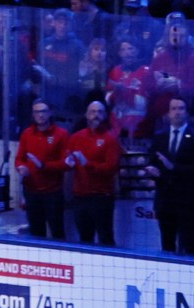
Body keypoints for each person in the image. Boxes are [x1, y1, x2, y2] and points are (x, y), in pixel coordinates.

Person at [148, 98, 194, 255]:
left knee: (190, 246)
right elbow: (152, 162)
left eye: (181, 108)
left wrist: (173, 167)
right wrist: (153, 172)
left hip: (187, 201)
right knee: (167, 245)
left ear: (186, 112)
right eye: (173, 108)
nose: (177, 112)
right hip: (165, 200)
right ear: (168, 113)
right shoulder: (159, 136)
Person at [62, 100, 124, 246]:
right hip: (80, 197)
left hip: (102, 198)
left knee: (105, 237)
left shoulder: (111, 139)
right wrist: (68, 161)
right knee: (84, 238)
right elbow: (67, 159)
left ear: (105, 115)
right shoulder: (76, 137)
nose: (96, 115)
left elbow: (111, 167)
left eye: (100, 112)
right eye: (93, 112)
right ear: (86, 115)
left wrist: (88, 164)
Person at [16, 98, 70, 240]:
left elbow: (66, 163)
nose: (40, 115)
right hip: (32, 193)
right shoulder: (26, 134)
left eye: (44, 111)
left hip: (53, 193)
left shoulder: (61, 134)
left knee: (57, 232)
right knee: (36, 233)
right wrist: (21, 168)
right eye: (37, 112)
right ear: (33, 115)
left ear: (50, 113)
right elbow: (19, 158)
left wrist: (44, 166)